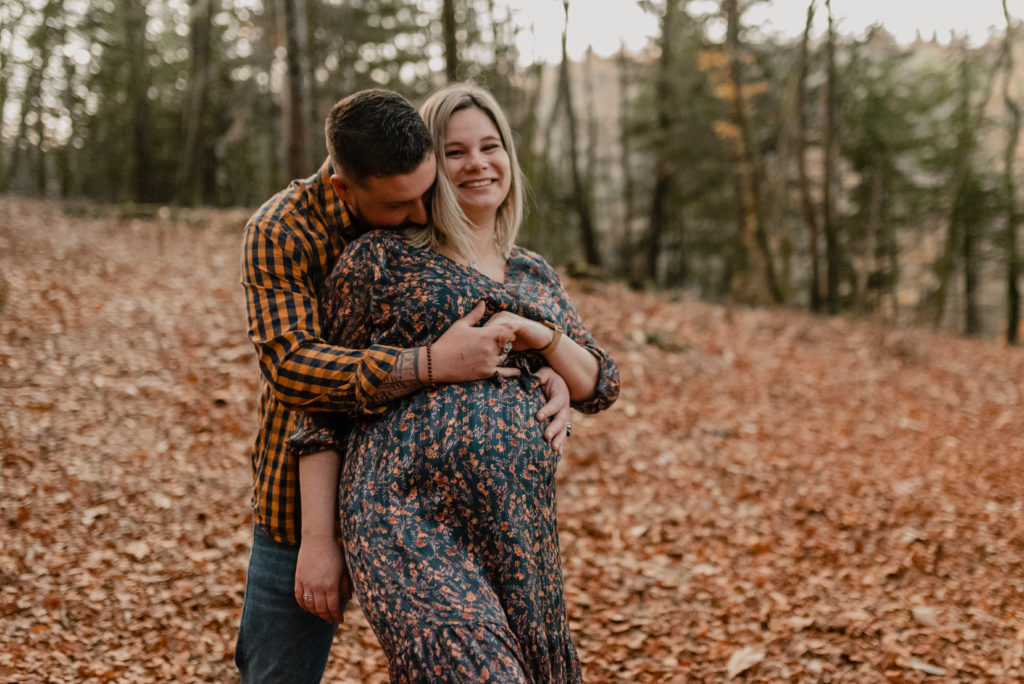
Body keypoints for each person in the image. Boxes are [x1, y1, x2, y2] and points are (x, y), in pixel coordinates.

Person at [236, 88, 574, 683]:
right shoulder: (284, 232)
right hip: (307, 496)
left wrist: (544, 364)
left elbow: (531, 334)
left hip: (477, 522)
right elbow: (296, 373)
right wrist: (430, 364)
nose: (421, 215)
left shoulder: (454, 239)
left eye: (428, 193)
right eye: (401, 205)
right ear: (346, 189)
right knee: (278, 669)